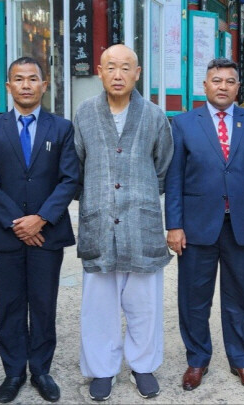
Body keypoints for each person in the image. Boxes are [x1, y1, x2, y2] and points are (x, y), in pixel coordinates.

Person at [165, 58, 244, 393]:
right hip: (196, 225)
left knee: (239, 296)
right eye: (216, 80)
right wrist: (174, 225)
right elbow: (174, 180)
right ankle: (197, 359)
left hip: (242, 225)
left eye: (230, 81)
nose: (223, 86)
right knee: (193, 298)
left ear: (237, 87)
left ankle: (241, 359)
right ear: (205, 86)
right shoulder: (184, 123)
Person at [0, 56, 78, 403]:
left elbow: (69, 179)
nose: (25, 85)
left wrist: (41, 218)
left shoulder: (61, 128)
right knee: (11, 304)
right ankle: (14, 372)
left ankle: (41, 370)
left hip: (47, 233)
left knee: (44, 303)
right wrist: (17, 223)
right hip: (7, 233)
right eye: (18, 79)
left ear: (44, 85)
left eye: (32, 79)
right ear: (9, 86)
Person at [74, 44, 173, 401]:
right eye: (110, 67)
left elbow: (162, 167)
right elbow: (79, 165)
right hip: (99, 221)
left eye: (125, 68)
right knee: (98, 304)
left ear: (138, 72)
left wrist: (139, 192)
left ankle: (143, 366)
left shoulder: (155, 116)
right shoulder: (84, 113)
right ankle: (102, 369)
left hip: (141, 221)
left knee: (144, 302)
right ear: (99, 71)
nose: (118, 74)